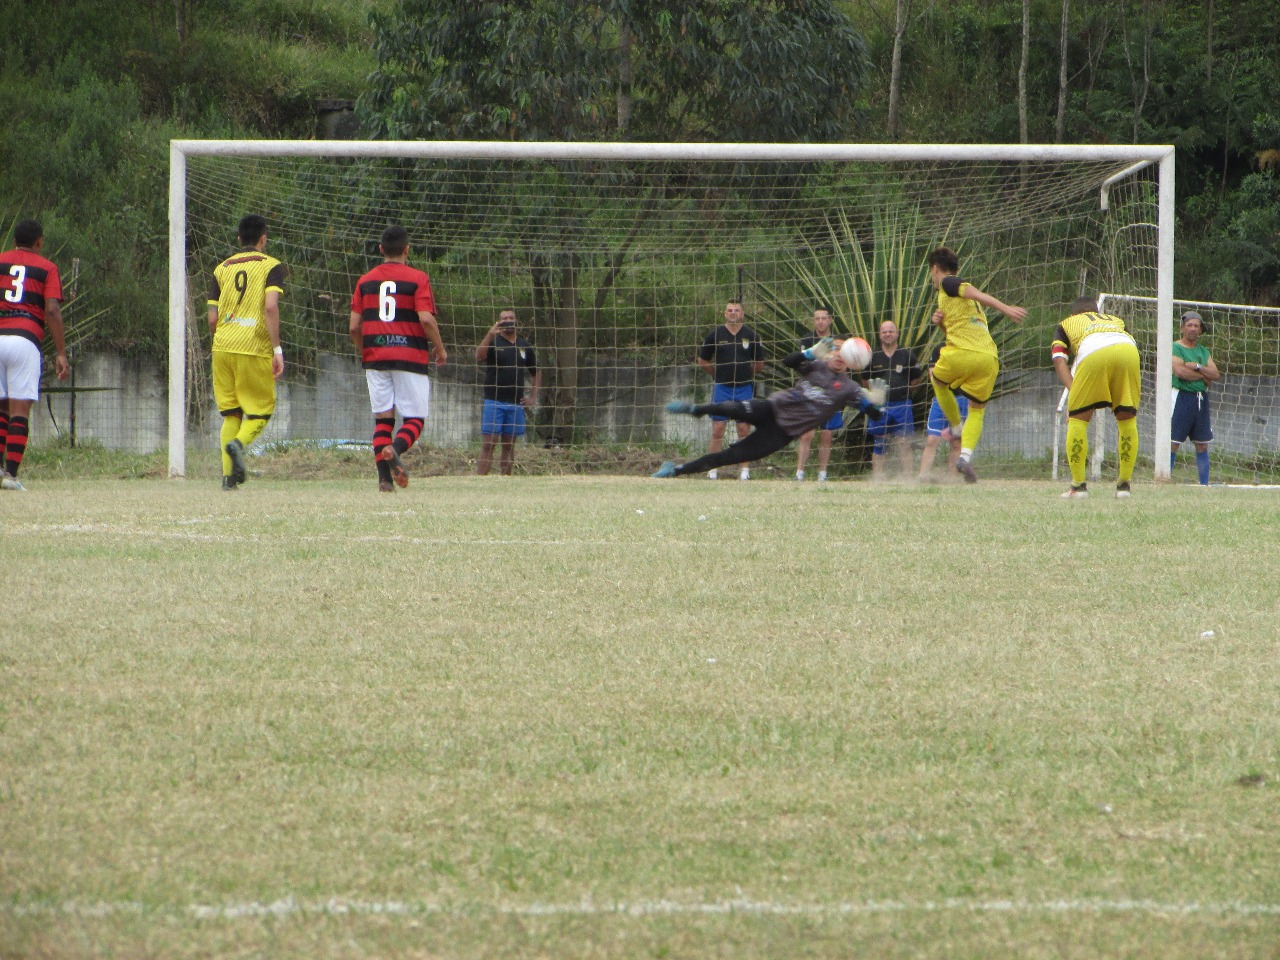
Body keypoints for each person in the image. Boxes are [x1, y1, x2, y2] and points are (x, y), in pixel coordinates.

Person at [654, 338, 885, 478]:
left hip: (780, 434)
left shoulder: (850, 388)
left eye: (845, 354)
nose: (839, 356)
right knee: (729, 408)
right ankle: (697, 409)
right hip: (771, 408)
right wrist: (808, 353)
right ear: (831, 353)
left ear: (852, 363)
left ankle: (675, 470)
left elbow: (873, 415)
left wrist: (876, 403)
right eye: (836, 350)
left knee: (728, 457)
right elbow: (788, 362)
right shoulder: (816, 366)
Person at [349, 225, 448, 492]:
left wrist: (366, 351)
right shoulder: (417, 278)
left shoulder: (365, 281)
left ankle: (384, 481)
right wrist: (439, 348)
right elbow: (426, 318)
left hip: (376, 357)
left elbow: (354, 327)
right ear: (407, 249)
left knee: (383, 420)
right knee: (415, 420)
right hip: (410, 357)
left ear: (381, 249)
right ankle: (395, 448)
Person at [926, 247, 1026, 483]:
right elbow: (958, 330)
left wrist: (1007, 309)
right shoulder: (957, 303)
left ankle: (956, 427)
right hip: (989, 358)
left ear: (935, 269)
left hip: (961, 354)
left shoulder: (948, 283)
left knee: (938, 381)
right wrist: (941, 325)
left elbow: (973, 291)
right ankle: (965, 457)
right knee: (977, 409)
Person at [208, 214, 285, 491]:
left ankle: (229, 479)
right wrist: (276, 348)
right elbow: (270, 307)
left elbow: (212, 319)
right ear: (263, 238)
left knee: (232, 414)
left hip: (222, 346)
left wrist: (223, 340)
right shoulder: (271, 266)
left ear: (239, 239)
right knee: (261, 411)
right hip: (253, 346)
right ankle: (238, 445)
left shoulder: (221, 269)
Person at [0, 219, 69, 491]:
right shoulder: (47, 268)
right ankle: (11, 476)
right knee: (19, 410)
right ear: (39, 241)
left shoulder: (1, 261)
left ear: (14, 239)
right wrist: (61, 353)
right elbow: (52, 309)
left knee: (1, 407)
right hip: (24, 338)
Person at [1051, 295, 1141, 499]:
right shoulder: (1115, 321)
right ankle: (1124, 486)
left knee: (1078, 420)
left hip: (1093, 352)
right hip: (1129, 350)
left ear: (1074, 314)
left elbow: (1059, 359)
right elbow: (1128, 342)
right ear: (1097, 312)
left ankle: (1078, 487)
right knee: (1127, 419)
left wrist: (1074, 392)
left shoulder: (1067, 323)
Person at [696, 300, 764, 480]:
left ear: (742, 313)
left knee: (743, 429)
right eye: (729, 310)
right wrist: (717, 375)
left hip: (744, 389)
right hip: (722, 389)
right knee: (718, 429)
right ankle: (712, 469)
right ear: (725, 313)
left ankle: (744, 471)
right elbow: (703, 361)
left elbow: (759, 364)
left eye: (736, 310)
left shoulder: (751, 335)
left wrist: (743, 375)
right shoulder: (715, 335)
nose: (733, 313)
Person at [476, 309, 540, 476]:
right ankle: (480, 480)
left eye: (511, 318)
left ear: (516, 321)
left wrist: (533, 396)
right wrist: (489, 335)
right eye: (504, 318)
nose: (508, 320)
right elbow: (479, 356)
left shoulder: (524, 346)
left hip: (515, 404)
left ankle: (506, 479)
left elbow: (536, 371)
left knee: (509, 445)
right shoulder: (494, 341)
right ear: (499, 322)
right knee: (489, 444)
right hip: (494, 401)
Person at [864, 319, 923, 479]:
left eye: (891, 331)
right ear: (879, 335)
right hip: (879, 407)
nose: (888, 334)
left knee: (904, 443)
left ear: (897, 333)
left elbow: (916, 379)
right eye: (884, 332)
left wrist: (903, 392)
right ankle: (878, 477)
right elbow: (865, 380)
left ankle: (907, 477)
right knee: (879, 442)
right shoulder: (872, 356)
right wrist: (875, 396)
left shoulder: (907, 355)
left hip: (902, 404)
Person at [1170, 309, 1220, 485]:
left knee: (1202, 443)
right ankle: (1164, 480)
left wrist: (1198, 367)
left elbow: (1215, 374)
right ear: (1182, 327)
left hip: (1201, 399)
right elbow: (1180, 371)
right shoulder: (1175, 347)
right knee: (1173, 441)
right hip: (1181, 398)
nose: (1192, 328)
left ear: (1200, 330)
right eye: (1189, 325)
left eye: (1196, 326)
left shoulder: (1203, 351)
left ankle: (1204, 484)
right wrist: (1202, 377)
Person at [794, 306, 841, 482]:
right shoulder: (807, 339)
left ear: (830, 320)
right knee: (807, 433)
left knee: (827, 435)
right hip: (811, 390)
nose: (820, 322)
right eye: (817, 319)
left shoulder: (839, 341)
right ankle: (799, 473)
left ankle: (823, 474)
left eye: (823, 318)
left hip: (831, 391)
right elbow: (802, 365)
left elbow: (845, 364)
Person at [917, 344, 969, 481]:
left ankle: (953, 479)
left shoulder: (967, 348)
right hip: (941, 399)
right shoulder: (938, 348)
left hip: (962, 399)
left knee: (957, 442)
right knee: (932, 440)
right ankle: (923, 476)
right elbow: (934, 376)